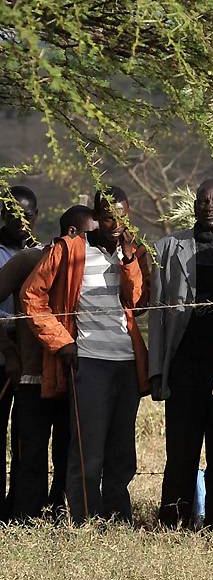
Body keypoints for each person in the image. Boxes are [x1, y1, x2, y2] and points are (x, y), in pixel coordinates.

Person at [20, 187, 150, 524]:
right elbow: (32, 297)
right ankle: (84, 520)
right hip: (89, 361)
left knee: (122, 449)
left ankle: (118, 518)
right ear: (97, 216)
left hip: (126, 361)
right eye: (108, 217)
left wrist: (128, 260)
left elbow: (137, 301)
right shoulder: (69, 250)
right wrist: (62, 342)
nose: (116, 224)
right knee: (87, 449)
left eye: (122, 217)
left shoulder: (133, 252)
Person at [150, 178, 213, 529]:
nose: (209, 207)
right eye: (203, 201)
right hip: (184, 365)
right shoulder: (168, 247)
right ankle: (174, 518)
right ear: (194, 206)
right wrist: (156, 371)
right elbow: (158, 316)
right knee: (181, 447)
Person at [1, 195, 73, 522]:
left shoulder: (92, 265)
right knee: (29, 452)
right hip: (31, 374)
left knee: (65, 451)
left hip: (70, 374)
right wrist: (9, 350)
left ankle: (58, 511)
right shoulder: (31, 260)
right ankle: (24, 517)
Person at [0, 183, 40, 516]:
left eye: (25, 216)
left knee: (26, 434)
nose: (19, 221)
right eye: (12, 214)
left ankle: (20, 503)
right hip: (3, 353)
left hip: (32, 358)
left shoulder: (42, 254)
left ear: (36, 217)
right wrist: (8, 354)